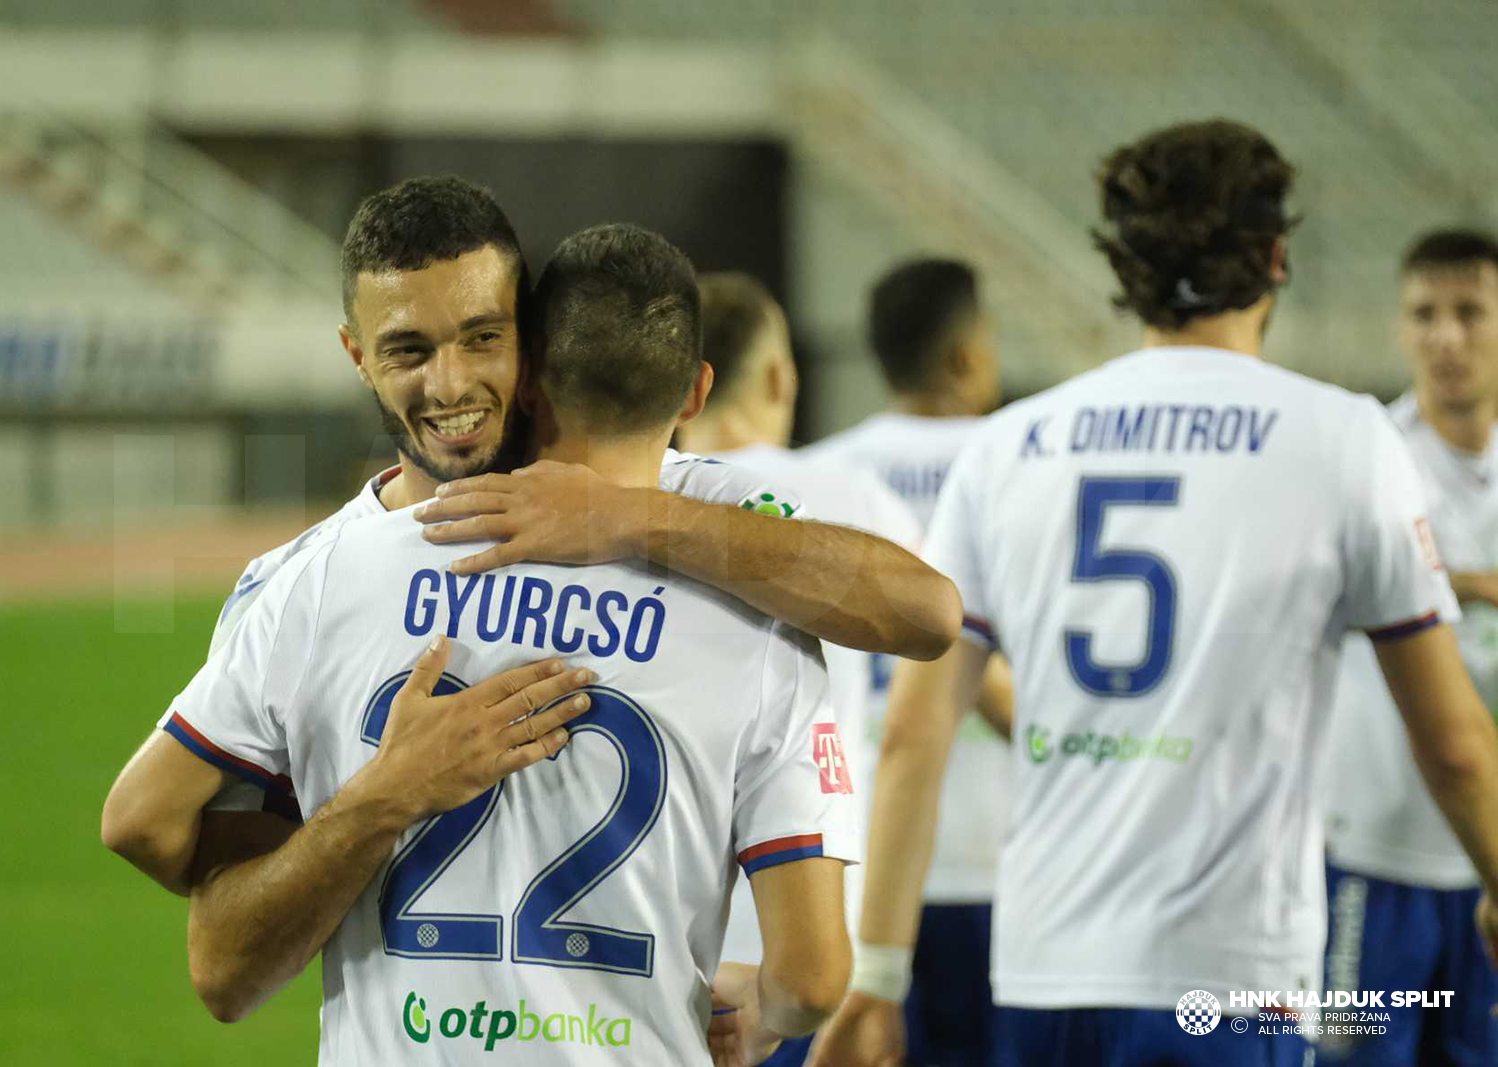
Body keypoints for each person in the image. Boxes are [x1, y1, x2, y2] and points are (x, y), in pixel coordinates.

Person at [811, 119, 1498, 1067]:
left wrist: (880, 977)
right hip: (1234, 974)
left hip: (1046, 968)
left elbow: (912, 738)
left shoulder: (1010, 444)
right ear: (1275, 257)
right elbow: (1456, 745)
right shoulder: (1343, 439)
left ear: (1124, 264)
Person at [101, 177, 961, 898]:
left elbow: (925, 612)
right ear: (356, 355)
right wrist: (369, 816)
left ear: (536, 341)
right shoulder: (301, 580)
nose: (451, 383)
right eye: (407, 348)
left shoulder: (680, 498)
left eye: (483, 337)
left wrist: (624, 517)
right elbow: (214, 935)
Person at [159, 223, 857, 1064]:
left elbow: (162, 855)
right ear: (696, 393)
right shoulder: (761, 605)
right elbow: (814, 975)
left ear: (527, 380)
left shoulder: (337, 570)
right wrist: (768, 1013)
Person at [675, 271, 921, 1067]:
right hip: (807, 936)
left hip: (648, 941)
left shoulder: (615, 507)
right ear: (779, 377)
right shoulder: (860, 503)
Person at [799, 258, 1010, 1066]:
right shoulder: (1018, 460)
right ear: (966, 353)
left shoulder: (824, 474)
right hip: (1002, 857)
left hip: (860, 865)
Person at [1320, 229, 1498, 1066]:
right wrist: (1462, 581)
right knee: (1360, 1056)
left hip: (1488, 855)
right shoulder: (1371, 463)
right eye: (1425, 314)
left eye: (1470, 312)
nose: (1446, 337)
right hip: (1376, 851)